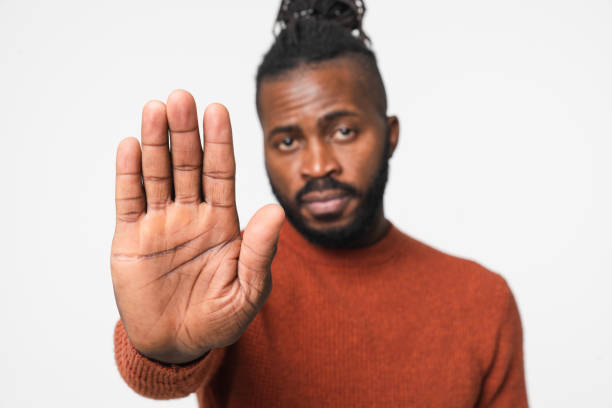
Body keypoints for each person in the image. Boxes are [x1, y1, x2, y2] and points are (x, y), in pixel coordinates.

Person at [111, 1, 529, 406]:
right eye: (288, 141)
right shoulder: (227, 278)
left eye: (343, 131)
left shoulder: (481, 300)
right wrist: (165, 349)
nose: (317, 166)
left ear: (390, 135)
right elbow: (162, 377)